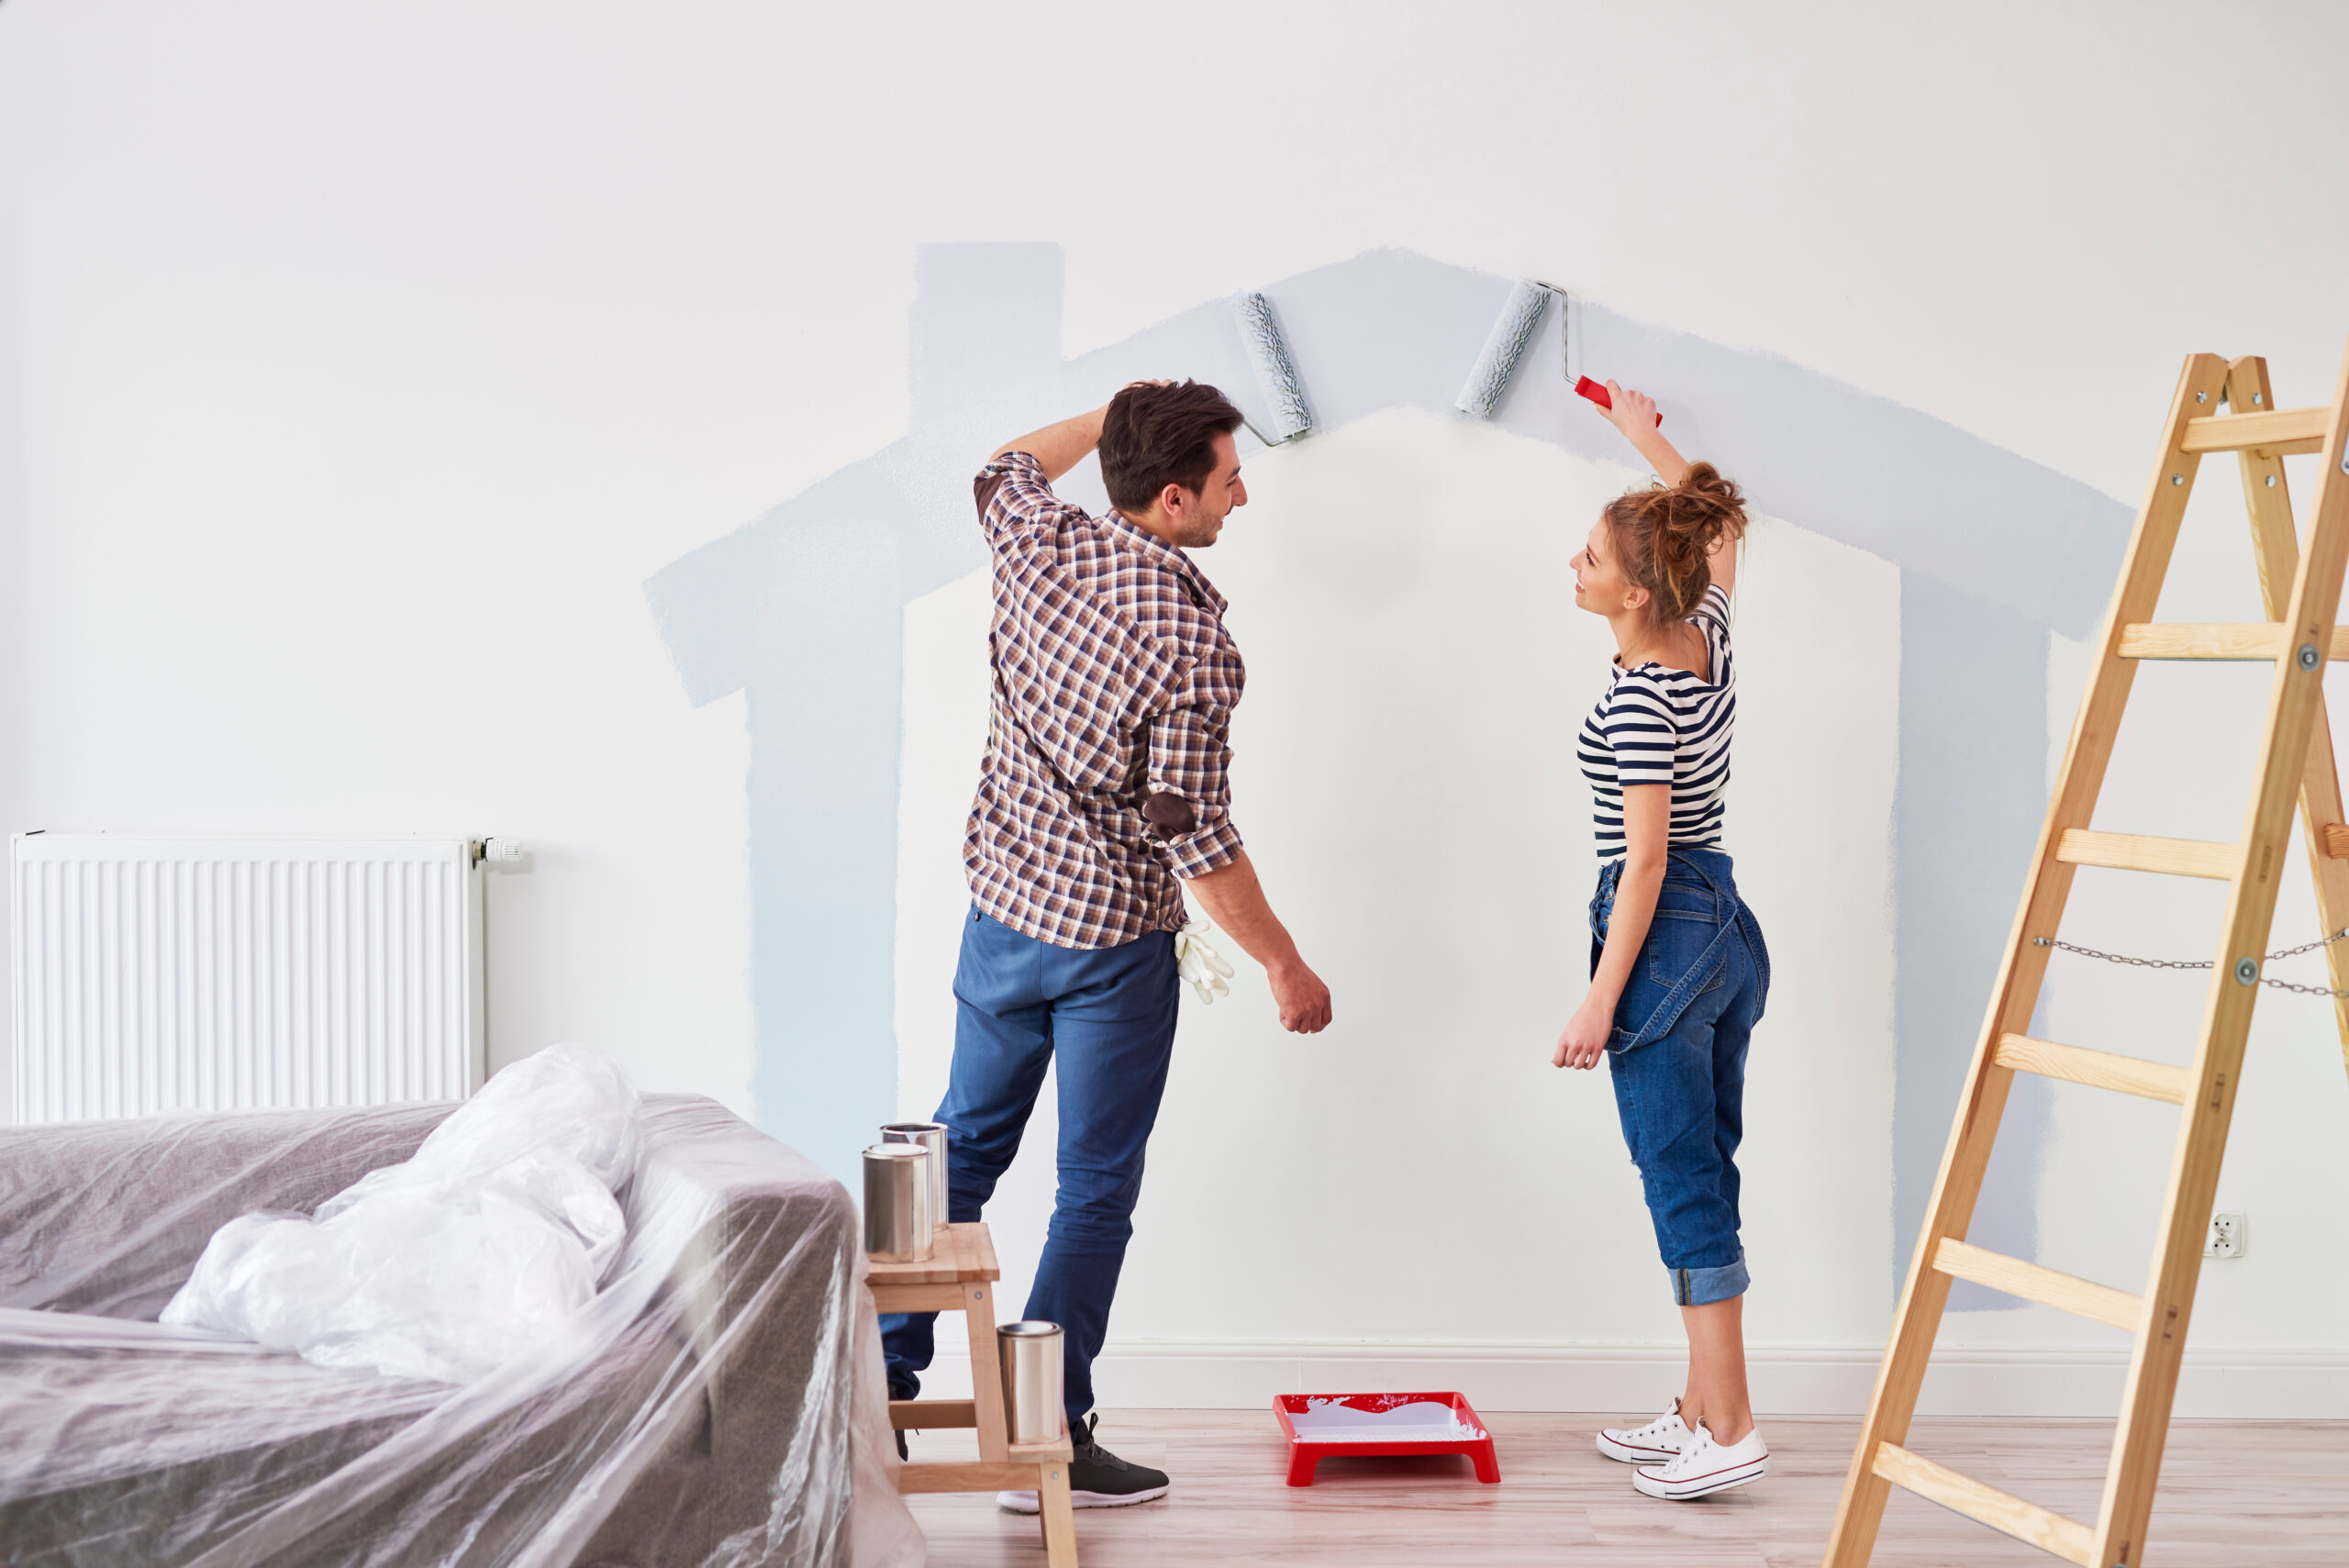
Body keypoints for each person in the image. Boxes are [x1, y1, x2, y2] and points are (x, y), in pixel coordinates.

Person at [881, 379, 1333, 1513]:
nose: (1243, 494)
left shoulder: (1042, 544)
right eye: (1230, 480)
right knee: (1092, 1187)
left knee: (962, 1155)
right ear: (1174, 500)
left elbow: (1002, 465)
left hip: (1000, 922)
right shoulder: (1191, 639)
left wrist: (1117, 413)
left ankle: (873, 1393)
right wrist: (1283, 961)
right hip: (1111, 952)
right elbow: (1198, 834)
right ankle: (1049, 1444)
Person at [1553, 382, 1772, 1501]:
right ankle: (1696, 1405)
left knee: (1679, 1178)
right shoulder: (1703, 635)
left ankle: (1727, 1423)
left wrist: (1602, 993)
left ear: (1636, 590)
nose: (1574, 567)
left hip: (1665, 926)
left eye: (1590, 557)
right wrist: (1644, 439)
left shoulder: (1643, 692)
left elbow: (1641, 860)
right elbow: (1721, 527)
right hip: (1724, 923)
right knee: (1704, 1164)